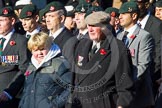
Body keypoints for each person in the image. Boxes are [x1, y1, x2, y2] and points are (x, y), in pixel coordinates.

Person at [66, 11, 134, 108]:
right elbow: (74, 80)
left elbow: (125, 86)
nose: (90, 29)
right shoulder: (82, 45)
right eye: (89, 25)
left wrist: (121, 105)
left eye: (94, 26)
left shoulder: (117, 48)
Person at [18, 32, 72, 108]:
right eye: (35, 50)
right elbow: (27, 91)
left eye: (42, 49)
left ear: (50, 47)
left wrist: (54, 105)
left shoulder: (59, 64)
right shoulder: (31, 65)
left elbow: (71, 88)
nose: (39, 53)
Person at [117, 1, 155, 108]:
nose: (120, 17)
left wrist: (126, 84)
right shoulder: (119, 36)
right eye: (119, 14)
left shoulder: (144, 37)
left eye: (123, 14)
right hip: (122, 94)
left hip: (139, 96)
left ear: (133, 16)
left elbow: (143, 66)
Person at [0, 6, 29, 108]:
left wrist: (9, 92)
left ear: (12, 21)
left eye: (2, 20)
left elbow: (24, 69)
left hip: (9, 97)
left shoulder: (21, 41)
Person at [133, 0, 162, 97]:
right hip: (134, 77)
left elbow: (158, 52)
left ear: (146, 5)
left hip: (151, 77)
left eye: (138, 3)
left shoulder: (157, 24)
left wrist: (154, 76)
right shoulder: (132, 23)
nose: (135, 6)